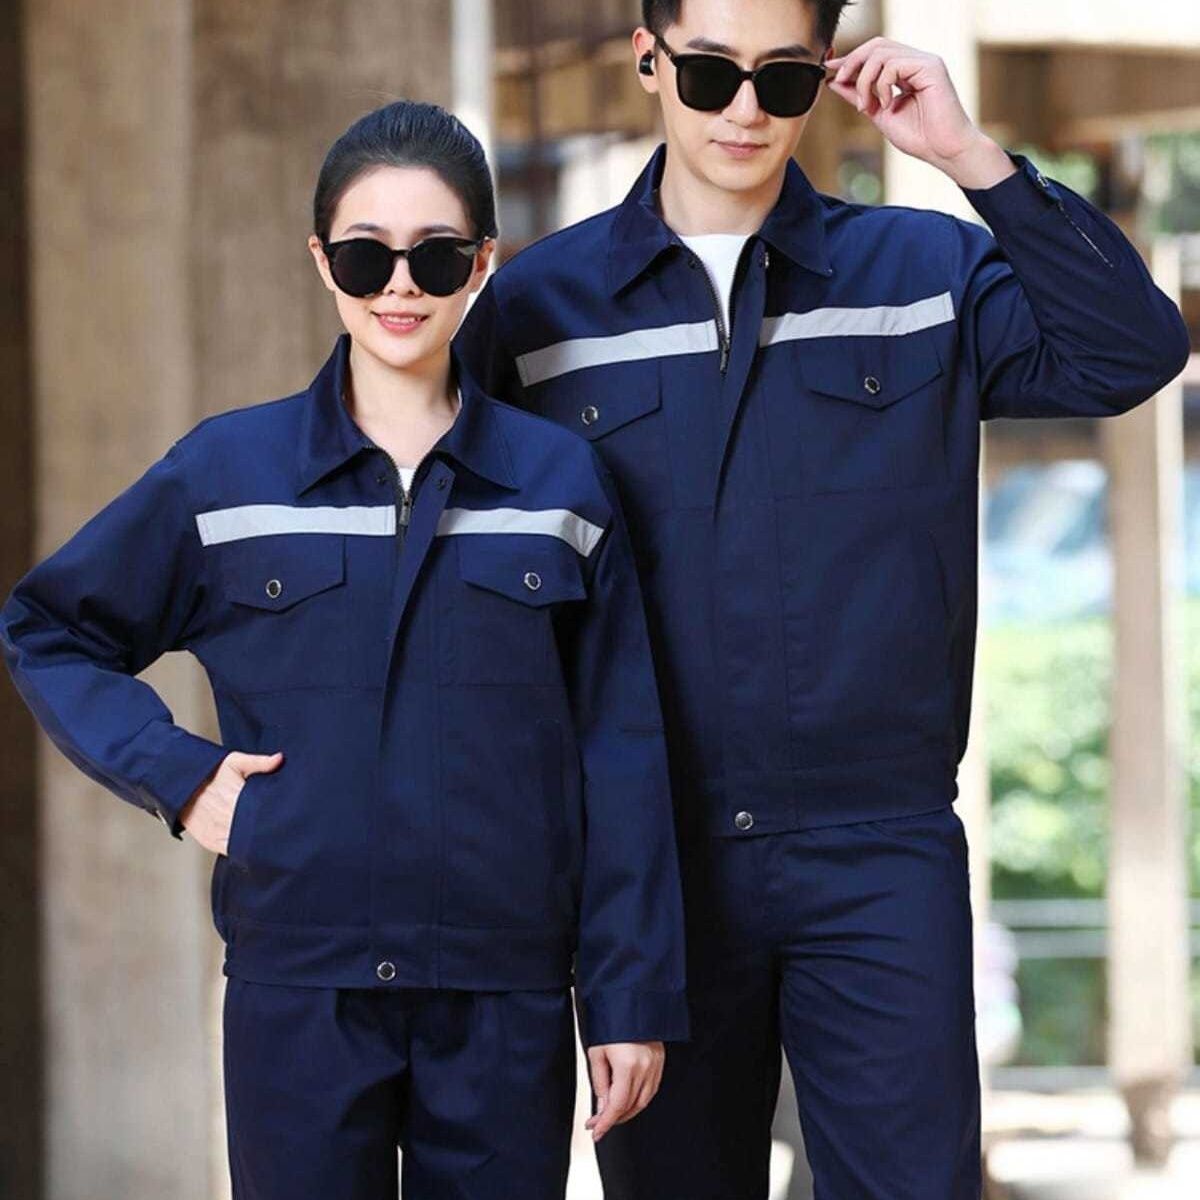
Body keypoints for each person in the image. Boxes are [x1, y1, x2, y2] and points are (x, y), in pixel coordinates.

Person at [451, 1, 1192, 1197]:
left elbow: (1130, 350)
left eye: (783, 79)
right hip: (656, 868)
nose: (745, 110)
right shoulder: (543, 312)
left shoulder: (923, 270)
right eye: (709, 74)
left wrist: (970, 157)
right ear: (648, 60)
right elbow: (456, 565)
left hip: (879, 855)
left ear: (821, 75)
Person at [0, 99, 689, 1200]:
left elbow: (622, 749)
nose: (400, 286)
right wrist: (181, 779)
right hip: (300, 993)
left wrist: (629, 996)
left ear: (483, 264)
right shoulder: (229, 475)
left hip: (504, 996)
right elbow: (48, 627)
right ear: (323, 261)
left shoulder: (561, 484)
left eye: (437, 255)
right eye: (368, 256)